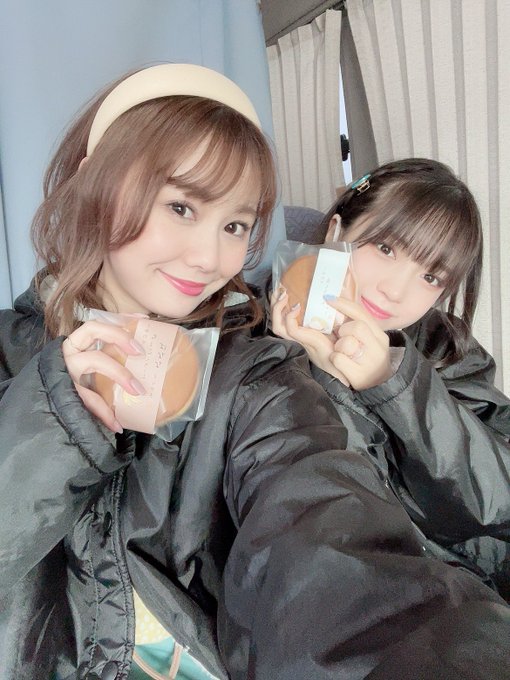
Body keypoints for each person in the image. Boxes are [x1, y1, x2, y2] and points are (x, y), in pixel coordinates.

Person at [0, 68, 509, 680]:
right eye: (181, 206)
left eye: (235, 226)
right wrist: (52, 420)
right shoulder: (11, 353)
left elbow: (324, 536)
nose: (209, 258)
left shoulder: (255, 369)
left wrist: (388, 383)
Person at [272, 158, 510, 602]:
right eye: (385, 248)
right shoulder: (261, 337)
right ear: (336, 231)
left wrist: (390, 380)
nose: (396, 291)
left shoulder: (444, 343)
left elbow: (498, 498)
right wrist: (330, 382)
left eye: (430, 276)